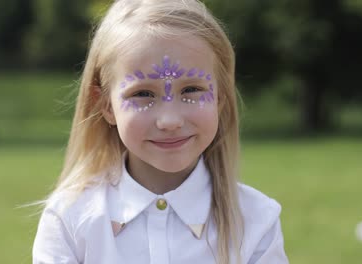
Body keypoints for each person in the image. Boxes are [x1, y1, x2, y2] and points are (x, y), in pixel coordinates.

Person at [32, 0, 289, 263]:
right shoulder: (70, 219)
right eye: (142, 94)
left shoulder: (257, 221)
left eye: (191, 90)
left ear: (219, 98)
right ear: (106, 105)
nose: (169, 120)